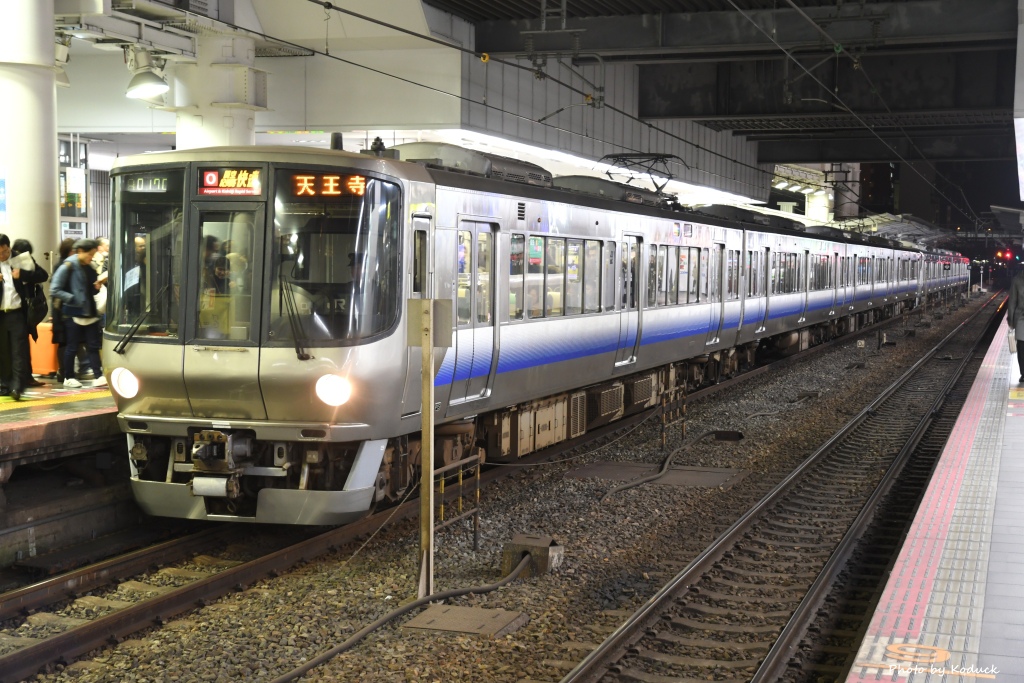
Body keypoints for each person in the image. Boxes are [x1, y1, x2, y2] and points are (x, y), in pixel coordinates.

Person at [50, 239, 105, 389]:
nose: (91, 258)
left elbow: (90, 288)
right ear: (80, 251)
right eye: (89, 254)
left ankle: (98, 375)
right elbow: (54, 289)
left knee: (93, 345)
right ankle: (69, 376)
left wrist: (97, 287)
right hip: (73, 312)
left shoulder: (90, 266)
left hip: (89, 312)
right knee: (72, 346)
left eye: (93, 255)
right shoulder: (67, 266)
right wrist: (72, 298)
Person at [0, 234, 47, 400]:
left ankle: (18, 387)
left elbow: (43, 275)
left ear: (8, 247)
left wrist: (24, 275)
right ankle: (4, 385)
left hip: (17, 313)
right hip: (1, 314)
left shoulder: (21, 259)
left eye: (4, 252)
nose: (2, 256)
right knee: (3, 351)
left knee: (19, 350)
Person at [10, 239, 48, 388]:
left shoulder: (26, 262)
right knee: (15, 347)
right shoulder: (6, 263)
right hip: (11, 311)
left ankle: (26, 377)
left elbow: (43, 275)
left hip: (24, 310)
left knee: (22, 346)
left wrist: (23, 274)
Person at [51, 238, 75, 382]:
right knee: (63, 341)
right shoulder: (62, 266)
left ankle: (67, 371)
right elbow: (55, 291)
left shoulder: (72, 265)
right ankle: (64, 371)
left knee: (69, 341)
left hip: (66, 309)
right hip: (61, 310)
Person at [1007, 267, 1024, 382]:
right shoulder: (1017, 280)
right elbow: (1012, 301)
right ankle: (1023, 373)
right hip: (1021, 317)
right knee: (1021, 346)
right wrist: (1011, 320)